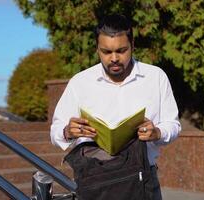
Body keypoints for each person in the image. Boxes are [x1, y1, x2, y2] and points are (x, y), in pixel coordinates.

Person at [50, 14, 181, 199]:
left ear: (133, 46)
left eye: (121, 50)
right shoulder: (79, 83)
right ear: (97, 49)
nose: (114, 58)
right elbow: (55, 132)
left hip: (143, 181)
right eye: (106, 51)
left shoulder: (156, 77)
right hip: (96, 182)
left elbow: (173, 124)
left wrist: (157, 133)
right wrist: (67, 131)